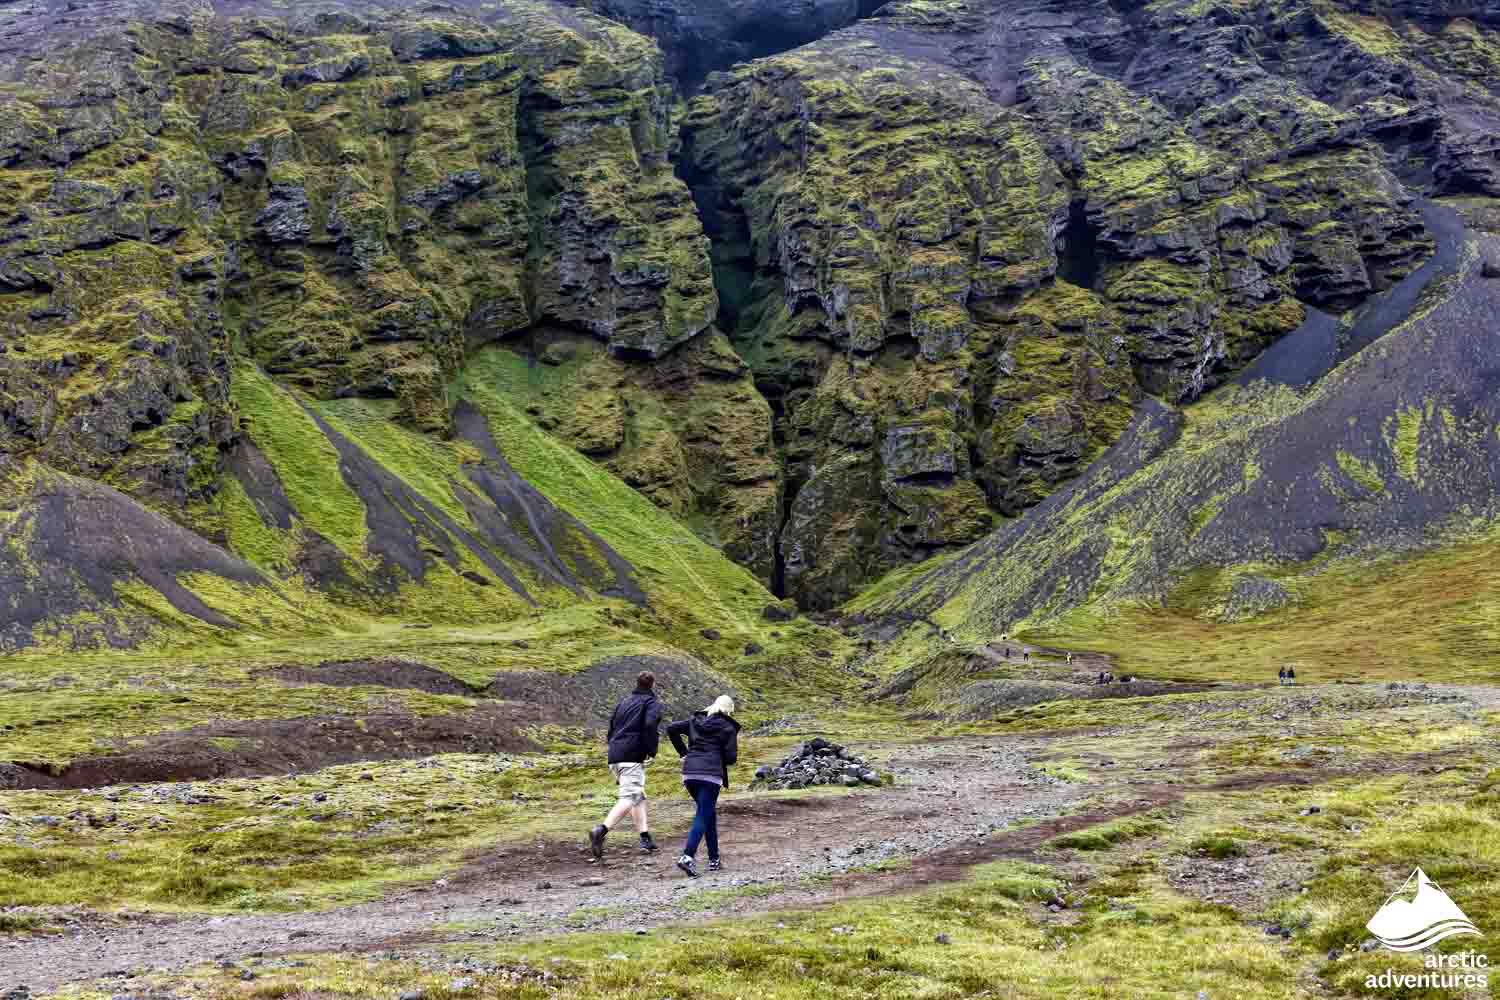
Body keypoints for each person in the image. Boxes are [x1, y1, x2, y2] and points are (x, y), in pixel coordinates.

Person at [589, 671, 662, 861]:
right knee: (629, 797)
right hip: (631, 755)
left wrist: (614, 746)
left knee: (638, 796)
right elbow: (650, 725)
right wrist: (651, 750)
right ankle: (601, 831)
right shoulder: (651, 703)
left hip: (615, 754)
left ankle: (645, 838)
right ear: (652, 685)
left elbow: (611, 728)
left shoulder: (624, 702)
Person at [666, 694, 741, 878]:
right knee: (702, 815)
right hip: (711, 775)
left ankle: (714, 858)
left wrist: (684, 753)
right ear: (729, 710)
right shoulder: (728, 726)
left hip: (689, 773)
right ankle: (687, 857)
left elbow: (671, 728)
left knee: (708, 813)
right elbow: (731, 758)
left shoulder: (695, 720)